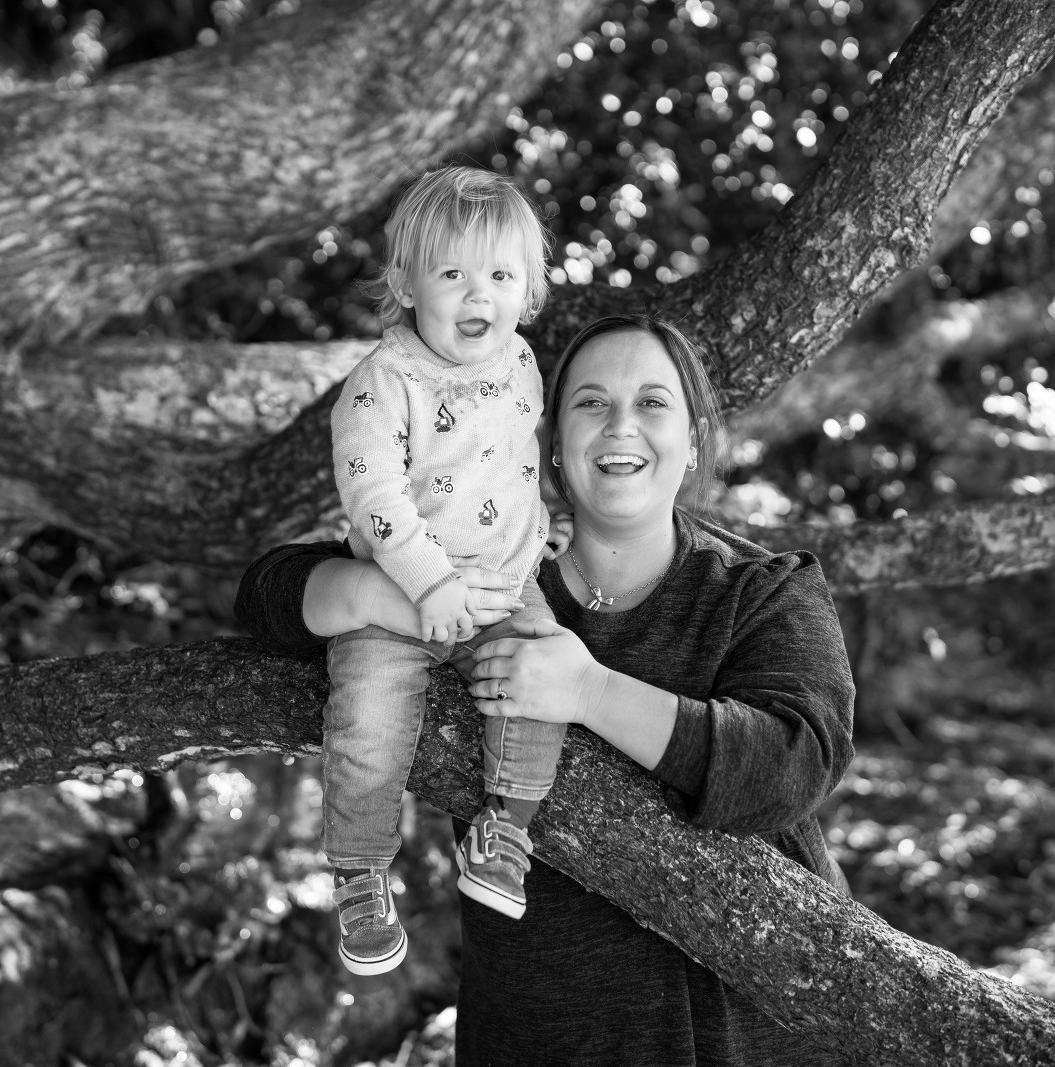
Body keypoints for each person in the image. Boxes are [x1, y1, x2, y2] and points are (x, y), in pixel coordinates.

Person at [236, 314, 856, 1064]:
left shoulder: (764, 589)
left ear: (692, 438)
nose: (621, 425)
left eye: (653, 402)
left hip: (746, 1036)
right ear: (550, 442)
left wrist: (588, 691)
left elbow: (794, 762)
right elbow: (266, 595)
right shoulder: (476, 575)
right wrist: (382, 594)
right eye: (591, 402)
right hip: (545, 1033)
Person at [316, 165, 570, 976]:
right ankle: (360, 869)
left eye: (500, 276)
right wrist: (430, 583)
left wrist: (544, 523)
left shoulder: (521, 362)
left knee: (541, 673)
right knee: (369, 711)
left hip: (500, 588)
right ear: (405, 284)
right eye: (452, 274)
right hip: (398, 594)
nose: (477, 295)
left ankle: (505, 828)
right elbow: (373, 494)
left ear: (527, 289)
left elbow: (518, 458)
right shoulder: (383, 383)